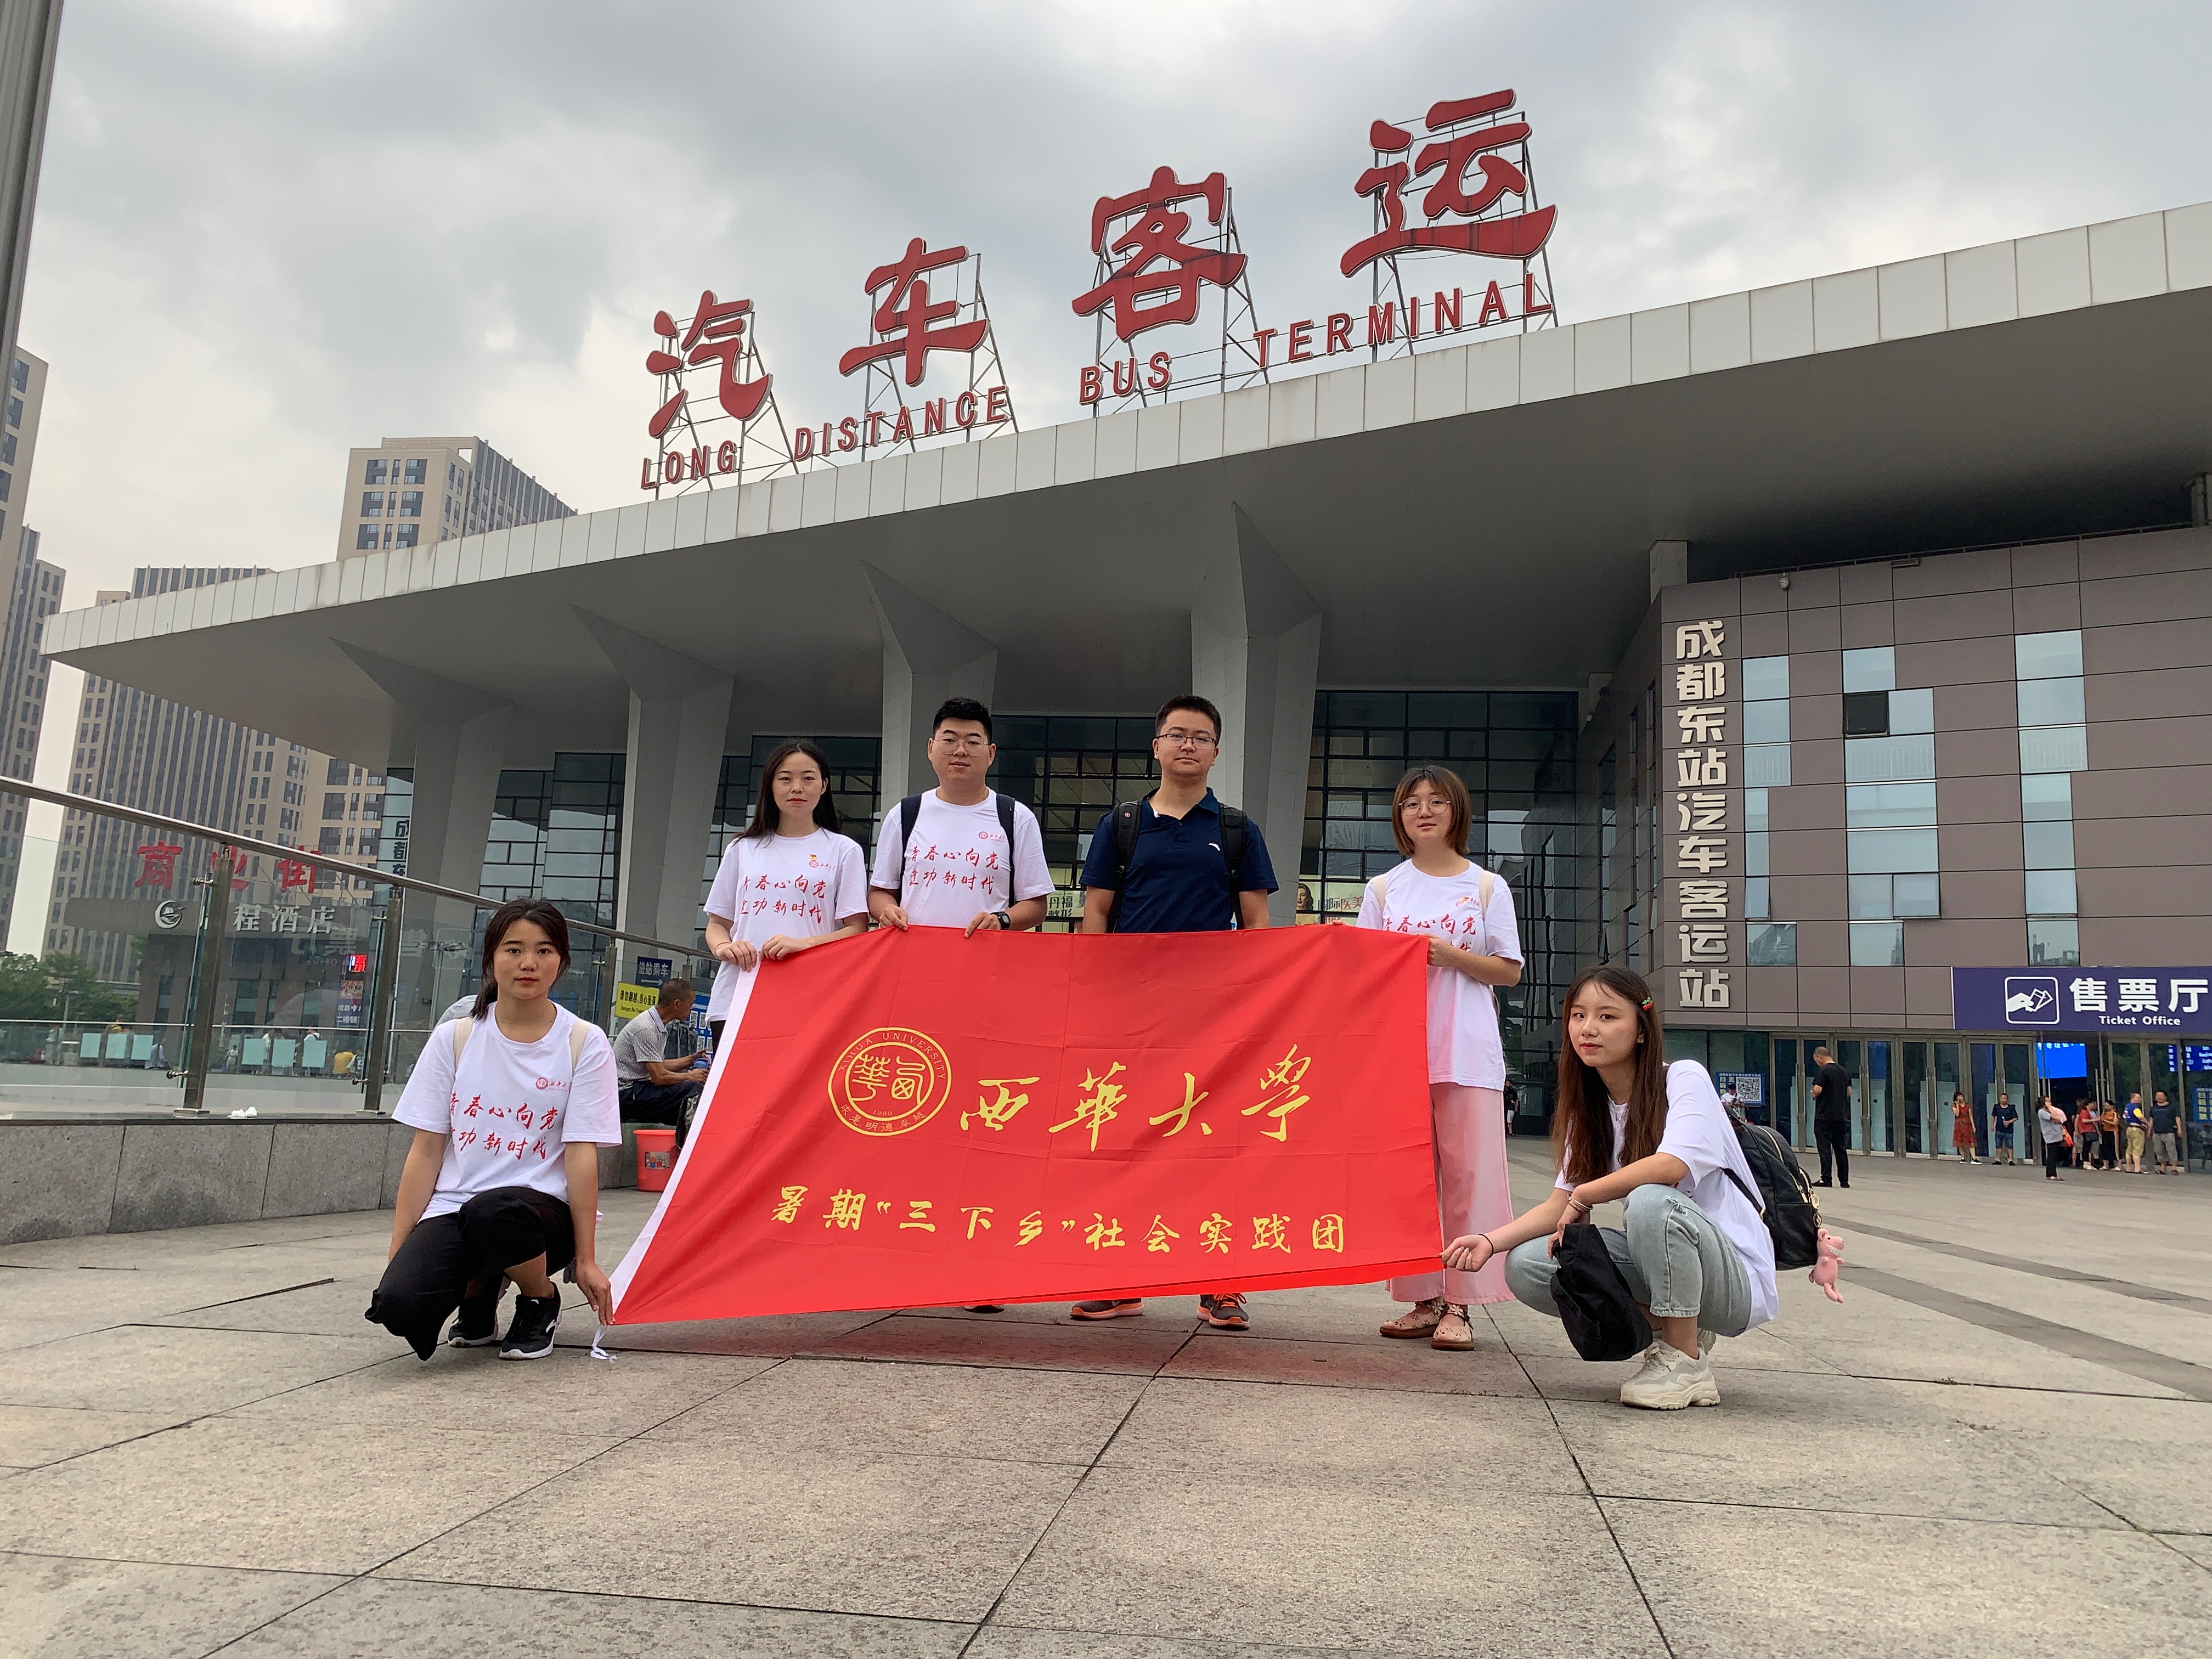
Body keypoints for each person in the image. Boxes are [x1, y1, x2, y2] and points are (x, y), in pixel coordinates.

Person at [1441, 964, 1778, 1410]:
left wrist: (1587, 1194)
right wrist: (1489, 1241)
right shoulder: (1591, 1107)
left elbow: (1671, 1165)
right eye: (1578, 1016)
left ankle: (1686, 1362)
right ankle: (1684, 1324)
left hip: (1735, 1278)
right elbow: (1559, 1204)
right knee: (1527, 1265)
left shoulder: (1683, 1078)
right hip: (1673, 1267)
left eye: (1607, 1016)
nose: (1588, 1029)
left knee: (1651, 1200)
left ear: (1641, 1029)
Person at [1067, 692, 1278, 1331]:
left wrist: (1252, 1004)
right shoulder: (1123, 824)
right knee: (1126, 1143)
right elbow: (1097, 913)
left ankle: (1220, 1284)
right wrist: (1095, 994)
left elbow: (1257, 925)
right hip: (1130, 1016)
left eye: (1201, 737)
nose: (1189, 745)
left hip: (1212, 1018)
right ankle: (1119, 1280)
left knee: (1215, 1146)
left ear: (1216, 753)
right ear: (1156, 746)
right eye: (1178, 734)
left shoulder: (1236, 830)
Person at [365, 899, 621, 1362]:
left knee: (494, 1211)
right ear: (491, 958)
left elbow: (581, 1154)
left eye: (544, 951)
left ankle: (538, 1297)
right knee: (400, 1305)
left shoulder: (584, 1042)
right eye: (514, 950)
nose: (529, 963)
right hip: (457, 1207)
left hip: (540, 1217)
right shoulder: (454, 1038)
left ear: (562, 961)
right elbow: (426, 1151)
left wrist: (586, 1260)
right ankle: (480, 1290)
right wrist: (400, 1252)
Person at [1358, 765, 1523, 1353]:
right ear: (1399, 817)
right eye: (1411, 803)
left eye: (1436, 801)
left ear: (1457, 810)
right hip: (1402, 1052)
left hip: (1468, 1050)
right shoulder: (1384, 889)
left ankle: (1461, 1303)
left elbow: (1508, 970)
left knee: (1469, 1178)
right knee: (1410, 1180)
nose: (1423, 811)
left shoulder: (1487, 887)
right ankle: (1423, 1299)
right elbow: (1363, 974)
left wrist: (1450, 956)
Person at [701, 739, 870, 1055]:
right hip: (738, 996)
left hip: (814, 998)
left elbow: (857, 929)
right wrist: (725, 947)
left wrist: (803, 945)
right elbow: (717, 924)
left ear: (824, 786)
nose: (797, 788)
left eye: (808, 778)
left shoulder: (844, 850)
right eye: (785, 778)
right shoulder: (742, 849)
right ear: (770, 785)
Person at [868, 697, 1053, 938]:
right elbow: (879, 893)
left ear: (991, 754)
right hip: (914, 954)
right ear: (930, 748)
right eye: (949, 740)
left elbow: (1037, 905)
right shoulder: (904, 815)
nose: (960, 751)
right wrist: (887, 910)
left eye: (973, 742)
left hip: (986, 958)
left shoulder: (1016, 818)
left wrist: (1001, 920)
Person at [612, 978, 706, 1131]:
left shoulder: (656, 1025)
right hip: (627, 1094)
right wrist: (690, 1076)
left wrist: (691, 1060)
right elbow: (659, 1077)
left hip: (639, 1089)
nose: (691, 1009)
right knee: (693, 1088)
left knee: (683, 1101)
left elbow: (658, 1065)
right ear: (677, 1004)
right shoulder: (646, 1028)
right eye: (690, 1005)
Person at [1810, 1046, 1850, 1188]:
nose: (1817, 1063)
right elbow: (1849, 1092)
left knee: (1825, 1149)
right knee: (1841, 1149)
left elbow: (1818, 1089)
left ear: (1819, 1057)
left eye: (1816, 1060)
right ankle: (1844, 1181)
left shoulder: (1823, 1071)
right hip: (1840, 1116)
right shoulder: (1845, 1072)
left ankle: (1826, 1179)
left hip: (1824, 1116)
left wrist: (1815, 1094)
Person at [2149, 1090, 2183, 1175]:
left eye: (2161, 1096)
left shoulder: (2172, 1107)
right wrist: (2149, 1130)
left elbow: (2177, 1118)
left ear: (2166, 1097)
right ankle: (2163, 1168)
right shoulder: (2154, 1108)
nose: (2159, 1097)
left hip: (2169, 1132)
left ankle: (2174, 1168)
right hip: (2157, 1133)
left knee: (2171, 1150)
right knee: (2159, 1151)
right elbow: (2151, 1119)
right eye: (2158, 1096)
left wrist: (2179, 1129)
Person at [2036, 1094, 2069, 1181]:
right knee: (2052, 1155)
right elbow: (2054, 1118)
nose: (2050, 1104)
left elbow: (2058, 1120)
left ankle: (2053, 1173)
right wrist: (2050, 1108)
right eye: (2048, 1102)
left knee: (2055, 1155)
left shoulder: (2048, 1111)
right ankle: (2050, 1174)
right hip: (2051, 1136)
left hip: (2057, 1135)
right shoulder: (2042, 1112)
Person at [2122, 1093, 2148, 1173]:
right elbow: (2140, 1117)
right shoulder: (2135, 1108)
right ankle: (2137, 1169)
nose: (2140, 1099)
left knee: (2129, 1149)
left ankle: (2128, 1168)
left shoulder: (2127, 1107)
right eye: (2139, 1097)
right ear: (2133, 1098)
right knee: (2137, 1149)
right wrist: (2148, 1123)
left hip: (2129, 1128)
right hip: (2137, 1128)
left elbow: (2124, 1117)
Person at [1990, 1093, 2018, 1166]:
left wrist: (2009, 1122)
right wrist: (1992, 1125)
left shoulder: (2011, 1108)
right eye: (2002, 1098)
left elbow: (2016, 1117)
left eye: (2005, 1098)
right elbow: (1993, 1116)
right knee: (1998, 1145)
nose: (2003, 1100)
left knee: (2010, 1145)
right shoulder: (1997, 1107)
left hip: (2009, 1130)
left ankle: (2011, 1160)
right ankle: (1998, 1159)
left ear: (2007, 1099)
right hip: (1999, 1129)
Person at [1951, 1091, 1977, 1165]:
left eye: (1961, 1096)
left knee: (1971, 1141)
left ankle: (1974, 1158)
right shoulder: (1954, 1105)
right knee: (1960, 1142)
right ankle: (1963, 1157)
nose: (1961, 1098)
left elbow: (1970, 1115)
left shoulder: (1967, 1105)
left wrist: (1973, 1125)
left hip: (1967, 1124)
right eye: (1959, 1097)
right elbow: (1957, 1114)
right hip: (1959, 1124)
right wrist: (1957, 1105)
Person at [2073, 1101, 2100, 1169]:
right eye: (2093, 1103)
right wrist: (2095, 1120)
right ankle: (2085, 1163)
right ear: (2089, 1104)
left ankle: (2088, 1163)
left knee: (2088, 1147)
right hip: (2086, 1131)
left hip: (2089, 1130)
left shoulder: (2086, 1111)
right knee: (2086, 1147)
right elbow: (2084, 1120)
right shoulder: (2084, 1111)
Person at [2098, 1098, 2121, 1171]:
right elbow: (2101, 1121)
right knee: (2105, 1148)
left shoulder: (2115, 1113)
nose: (2106, 1108)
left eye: (2107, 1106)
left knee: (2115, 1148)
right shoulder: (2104, 1113)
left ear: (2111, 1106)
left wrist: (2106, 1121)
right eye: (2105, 1106)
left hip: (2113, 1131)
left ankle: (2118, 1165)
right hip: (2106, 1131)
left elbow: (2115, 1123)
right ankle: (2106, 1165)